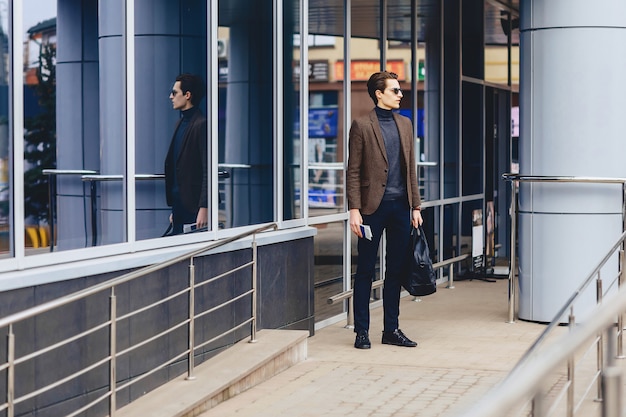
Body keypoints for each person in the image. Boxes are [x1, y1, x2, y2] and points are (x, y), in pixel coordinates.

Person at [347, 71, 423, 349]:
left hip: (401, 208)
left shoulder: (405, 124)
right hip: (371, 210)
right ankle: (362, 331)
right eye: (395, 90)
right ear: (379, 94)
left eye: (399, 90)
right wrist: (354, 209)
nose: (400, 94)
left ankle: (391, 329)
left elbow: (410, 168)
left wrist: (415, 205)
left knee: (396, 270)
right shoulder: (361, 125)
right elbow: (353, 171)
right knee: (365, 270)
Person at [164, 73, 208, 235]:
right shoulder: (180, 123)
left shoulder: (201, 125)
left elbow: (207, 170)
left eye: (175, 93)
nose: (171, 97)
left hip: (195, 209)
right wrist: (176, 209)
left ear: (187, 95)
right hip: (179, 206)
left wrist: (204, 208)